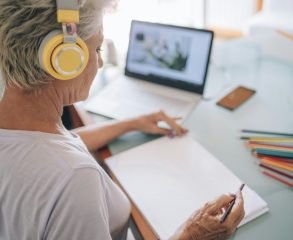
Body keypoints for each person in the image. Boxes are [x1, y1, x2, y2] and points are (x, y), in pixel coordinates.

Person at [0, 0, 245, 239]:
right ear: (64, 60)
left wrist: (132, 123)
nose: (101, 61)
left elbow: (52, 145)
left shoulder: (20, 122)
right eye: (96, 49)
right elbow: (59, 162)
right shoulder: (75, 180)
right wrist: (192, 234)